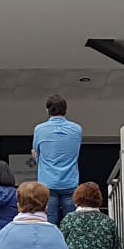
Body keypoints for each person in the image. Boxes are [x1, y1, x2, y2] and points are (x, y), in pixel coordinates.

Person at [31, 95, 84, 225]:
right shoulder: (77, 129)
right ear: (65, 110)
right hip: (70, 182)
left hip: (47, 183)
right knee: (71, 224)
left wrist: (38, 160)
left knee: (49, 223)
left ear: (47, 110)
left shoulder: (39, 129)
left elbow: (36, 153)